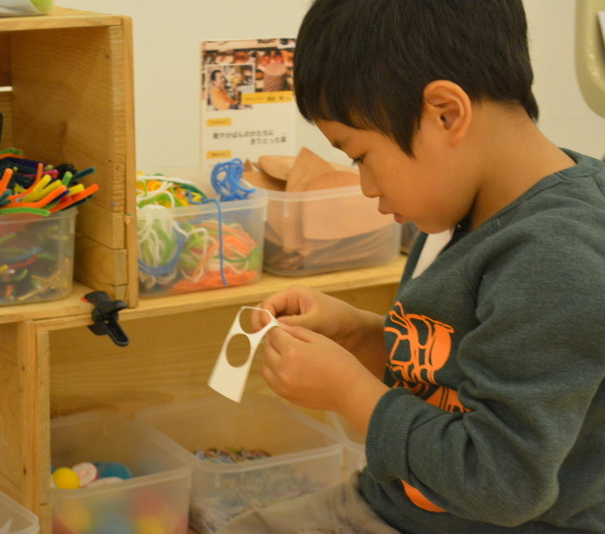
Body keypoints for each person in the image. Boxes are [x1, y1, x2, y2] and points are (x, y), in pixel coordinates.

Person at [218, 0, 605, 533]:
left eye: (360, 155)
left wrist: (350, 393)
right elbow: (457, 367)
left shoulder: (557, 257)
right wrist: (361, 336)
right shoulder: (464, 202)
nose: (365, 186)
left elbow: (501, 481)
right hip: (393, 502)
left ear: (446, 113)